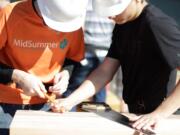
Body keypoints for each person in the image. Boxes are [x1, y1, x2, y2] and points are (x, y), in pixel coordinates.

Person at [51, 0, 180, 132]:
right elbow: (105, 71)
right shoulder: (123, 24)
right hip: (138, 114)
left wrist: (160, 114)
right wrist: (71, 100)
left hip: (162, 117)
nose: (110, 16)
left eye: (116, 10)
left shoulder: (158, 24)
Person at [0, 0, 88, 118]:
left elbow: (73, 58)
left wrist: (65, 73)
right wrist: (18, 76)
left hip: (49, 103)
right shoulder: (10, 14)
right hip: (7, 101)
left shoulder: (72, 21)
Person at [64, 0, 114, 103]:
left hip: (86, 50)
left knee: (74, 87)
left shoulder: (84, 3)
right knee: (99, 88)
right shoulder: (111, 5)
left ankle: (66, 109)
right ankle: (100, 116)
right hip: (106, 53)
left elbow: (79, 26)